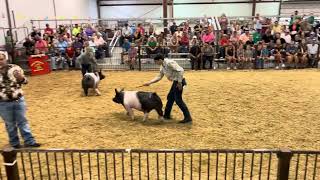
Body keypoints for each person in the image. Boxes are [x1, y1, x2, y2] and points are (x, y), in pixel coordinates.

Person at [0, 51, 40, 148]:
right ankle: (15, 143)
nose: (0, 61)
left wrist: (21, 78)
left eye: (1, 59)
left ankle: (29, 141)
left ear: (6, 59)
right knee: (10, 124)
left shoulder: (15, 68)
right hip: (3, 102)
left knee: (23, 121)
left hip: (18, 100)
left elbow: (26, 81)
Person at [142, 54, 192, 124]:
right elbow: (159, 77)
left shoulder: (169, 63)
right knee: (170, 98)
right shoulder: (162, 66)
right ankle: (167, 115)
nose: (156, 63)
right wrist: (149, 82)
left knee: (178, 100)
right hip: (176, 81)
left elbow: (180, 70)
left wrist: (180, 82)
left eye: (156, 62)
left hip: (179, 81)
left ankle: (188, 118)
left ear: (160, 60)